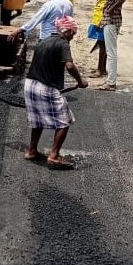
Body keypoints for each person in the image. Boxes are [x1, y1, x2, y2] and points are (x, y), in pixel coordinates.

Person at [23, 15, 88, 170]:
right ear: (68, 31)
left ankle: (31, 151)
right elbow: (70, 66)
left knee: (37, 119)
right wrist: (80, 81)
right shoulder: (63, 43)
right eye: (73, 33)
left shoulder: (43, 41)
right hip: (45, 87)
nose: (73, 37)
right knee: (65, 120)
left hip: (30, 84)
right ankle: (54, 155)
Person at [8, 0, 73, 42]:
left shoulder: (49, 4)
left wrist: (19, 30)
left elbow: (35, 20)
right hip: (63, 39)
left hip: (47, 39)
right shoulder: (68, 3)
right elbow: (70, 21)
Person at [99, 0, 129, 91]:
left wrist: (111, 9)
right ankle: (110, 81)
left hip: (111, 21)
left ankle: (111, 83)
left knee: (111, 52)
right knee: (110, 51)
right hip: (111, 20)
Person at [86, 0, 109, 77]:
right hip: (99, 16)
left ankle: (100, 69)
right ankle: (102, 68)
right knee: (103, 43)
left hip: (102, 18)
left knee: (102, 43)